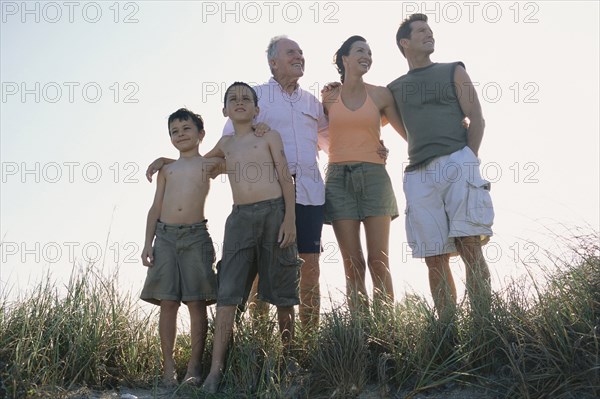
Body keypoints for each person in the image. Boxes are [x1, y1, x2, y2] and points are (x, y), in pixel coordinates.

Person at [387, 13, 494, 323]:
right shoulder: (394, 88)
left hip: (458, 162)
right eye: (421, 31)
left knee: (470, 244)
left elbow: (476, 116)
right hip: (419, 174)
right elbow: (377, 117)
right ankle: (447, 329)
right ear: (404, 43)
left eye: (430, 31)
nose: (429, 35)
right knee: (434, 256)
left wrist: (468, 159)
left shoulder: (452, 70)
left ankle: (484, 324)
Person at [221, 36, 327, 332]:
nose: (299, 56)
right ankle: (260, 336)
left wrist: (373, 146)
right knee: (263, 268)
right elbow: (230, 140)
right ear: (273, 62)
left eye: (301, 52)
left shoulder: (312, 102)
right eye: (291, 52)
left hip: (309, 192)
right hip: (270, 193)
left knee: (310, 266)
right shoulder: (254, 97)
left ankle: (308, 340)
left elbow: (331, 138)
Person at [201, 82, 302, 393]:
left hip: (274, 214)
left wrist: (290, 219)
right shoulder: (226, 142)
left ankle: (288, 360)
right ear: (225, 110)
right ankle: (215, 372)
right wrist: (167, 162)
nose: (240, 102)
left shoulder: (268, 135)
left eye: (246, 99)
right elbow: (200, 165)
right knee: (228, 292)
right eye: (233, 99)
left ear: (257, 110)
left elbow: (286, 177)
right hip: (240, 219)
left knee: (283, 292)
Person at [321, 36, 407, 311]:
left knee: (379, 261)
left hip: (374, 177)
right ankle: (361, 331)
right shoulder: (328, 96)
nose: (367, 55)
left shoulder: (381, 94)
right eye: (360, 51)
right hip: (338, 179)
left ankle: (386, 333)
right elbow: (319, 133)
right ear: (344, 59)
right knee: (352, 263)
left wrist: (381, 147)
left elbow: (404, 131)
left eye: (370, 52)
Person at [140, 108, 220, 386]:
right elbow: (155, 208)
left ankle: (194, 368)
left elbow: (234, 156)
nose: (180, 135)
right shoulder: (167, 169)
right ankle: (169, 369)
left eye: (187, 129)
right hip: (165, 237)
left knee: (196, 302)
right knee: (168, 302)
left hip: (195, 237)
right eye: (175, 131)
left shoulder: (208, 163)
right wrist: (147, 243)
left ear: (201, 134)